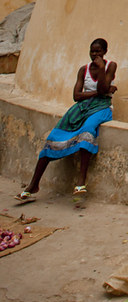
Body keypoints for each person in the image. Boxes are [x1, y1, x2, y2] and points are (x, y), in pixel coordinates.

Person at [15, 38, 117, 201]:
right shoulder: (83, 70)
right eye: (92, 51)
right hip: (82, 107)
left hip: (101, 107)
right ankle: (33, 184)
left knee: (87, 131)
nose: (95, 54)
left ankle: (81, 182)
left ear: (105, 52)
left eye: (98, 51)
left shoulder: (110, 66)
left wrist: (102, 70)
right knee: (54, 136)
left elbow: (103, 89)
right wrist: (99, 92)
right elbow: (77, 96)